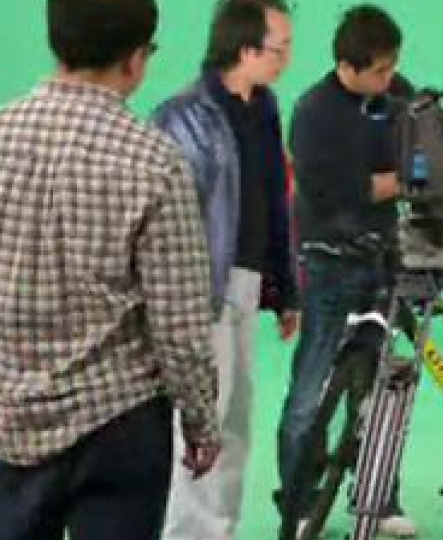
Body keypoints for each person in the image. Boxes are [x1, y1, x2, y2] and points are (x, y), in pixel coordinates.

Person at [0, 1, 220, 539]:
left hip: (11, 420)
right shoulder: (155, 163)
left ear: (56, 43)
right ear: (135, 59)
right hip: (121, 421)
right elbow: (180, 324)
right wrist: (200, 419)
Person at [148, 2, 300, 539]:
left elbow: (275, 201)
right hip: (201, 289)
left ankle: (218, 530)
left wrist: (285, 290)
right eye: (280, 47)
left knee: (234, 419)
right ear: (246, 48)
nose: (287, 58)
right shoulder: (183, 116)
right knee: (198, 421)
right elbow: (165, 220)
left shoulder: (265, 107)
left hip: (247, 283)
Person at [276, 5, 418, 538]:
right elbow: (338, 189)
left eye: (392, 66)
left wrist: (397, 179)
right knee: (310, 394)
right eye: (379, 71)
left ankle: (381, 496)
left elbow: (417, 162)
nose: (390, 79)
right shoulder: (313, 114)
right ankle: (299, 500)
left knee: (384, 388)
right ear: (347, 66)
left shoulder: (399, 95)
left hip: (384, 261)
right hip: (327, 264)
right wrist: (396, 180)